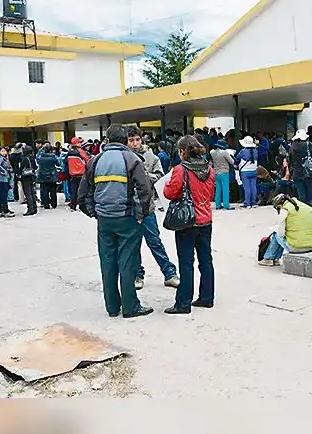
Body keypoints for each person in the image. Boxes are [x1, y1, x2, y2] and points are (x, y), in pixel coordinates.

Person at [80, 124, 155, 319]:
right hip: (127, 219)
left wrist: (94, 212)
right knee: (127, 262)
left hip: (105, 220)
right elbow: (145, 191)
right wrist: (141, 215)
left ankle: (112, 307)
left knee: (107, 262)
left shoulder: (95, 161)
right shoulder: (132, 159)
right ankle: (130, 307)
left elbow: (82, 193)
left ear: (106, 139)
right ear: (125, 140)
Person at [162, 136, 217, 314]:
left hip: (187, 221)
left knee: (186, 263)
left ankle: (183, 303)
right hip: (205, 219)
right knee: (206, 260)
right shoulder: (209, 169)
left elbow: (170, 193)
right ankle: (207, 297)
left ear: (182, 151)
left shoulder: (180, 170)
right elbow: (211, 194)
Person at [127, 126, 180, 291]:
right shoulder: (124, 158)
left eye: (137, 140)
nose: (135, 143)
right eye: (131, 140)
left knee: (154, 241)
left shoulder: (151, 157)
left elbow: (159, 177)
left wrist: (143, 175)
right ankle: (137, 275)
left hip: (147, 206)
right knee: (133, 244)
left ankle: (169, 273)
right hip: (129, 208)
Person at [259, 194, 312, 265]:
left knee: (276, 235)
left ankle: (268, 258)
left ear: (279, 205)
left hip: (297, 247)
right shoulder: (306, 207)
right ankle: (275, 259)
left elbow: (281, 234)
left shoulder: (285, 210)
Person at [288, 128, 312, 208]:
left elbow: (290, 161)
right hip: (309, 174)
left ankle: (303, 215)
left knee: (301, 196)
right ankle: (311, 216)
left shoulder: (292, 147)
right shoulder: (308, 144)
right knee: (311, 196)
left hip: (297, 174)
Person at [234, 135, 260, 208]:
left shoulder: (243, 151)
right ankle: (254, 203)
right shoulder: (255, 151)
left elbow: (237, 159)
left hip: (245, 171)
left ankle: (247, 203)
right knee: (253, 187)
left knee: (247, 188)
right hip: (254, 170)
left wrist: (236, 164)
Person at [65, 138, 90, 212]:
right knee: (83, 191)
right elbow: (87, 161)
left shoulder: (69, 152)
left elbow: (65, 161)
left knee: (74, 191)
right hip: (81, 174)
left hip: (72, 175)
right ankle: (82, 205)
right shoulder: (81, 151)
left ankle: (73, 206)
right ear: (77, 143)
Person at [209, 142, 235, 210]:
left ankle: (218, 205)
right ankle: (226, 205)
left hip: (216, 172)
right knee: (225, 189)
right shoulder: (224, 152)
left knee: (218, 189)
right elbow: (232, 162)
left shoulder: (212, 152)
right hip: (224, 172)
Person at [0, 146, 15, 218]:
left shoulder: (3, 158)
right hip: (1, 180)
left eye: (4, 151)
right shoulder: (0, 158)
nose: (4, 152)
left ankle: (2, 210)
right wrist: (4, 171)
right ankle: (4, 211)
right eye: (2, 151)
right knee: (3, 196)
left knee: (2, 196)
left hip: (2, 179)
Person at [36, 145, 60, 209]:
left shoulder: (41, 158)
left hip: (43, 176)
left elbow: (38, 163)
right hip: (52, 175)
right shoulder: (53, 157)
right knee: (53, 191)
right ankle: (54, 204)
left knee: (44, 191)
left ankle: (46, 205)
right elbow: (58, 163)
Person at [18, 145, 39, 216]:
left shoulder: (24, 159)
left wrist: (18, 174)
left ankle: (30, 209)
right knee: (32, 192)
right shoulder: (32, 158)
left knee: (28, 193)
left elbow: (21, 168)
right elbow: (35, 167)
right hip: (31, 176)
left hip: (25, 177)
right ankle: (35, 208)